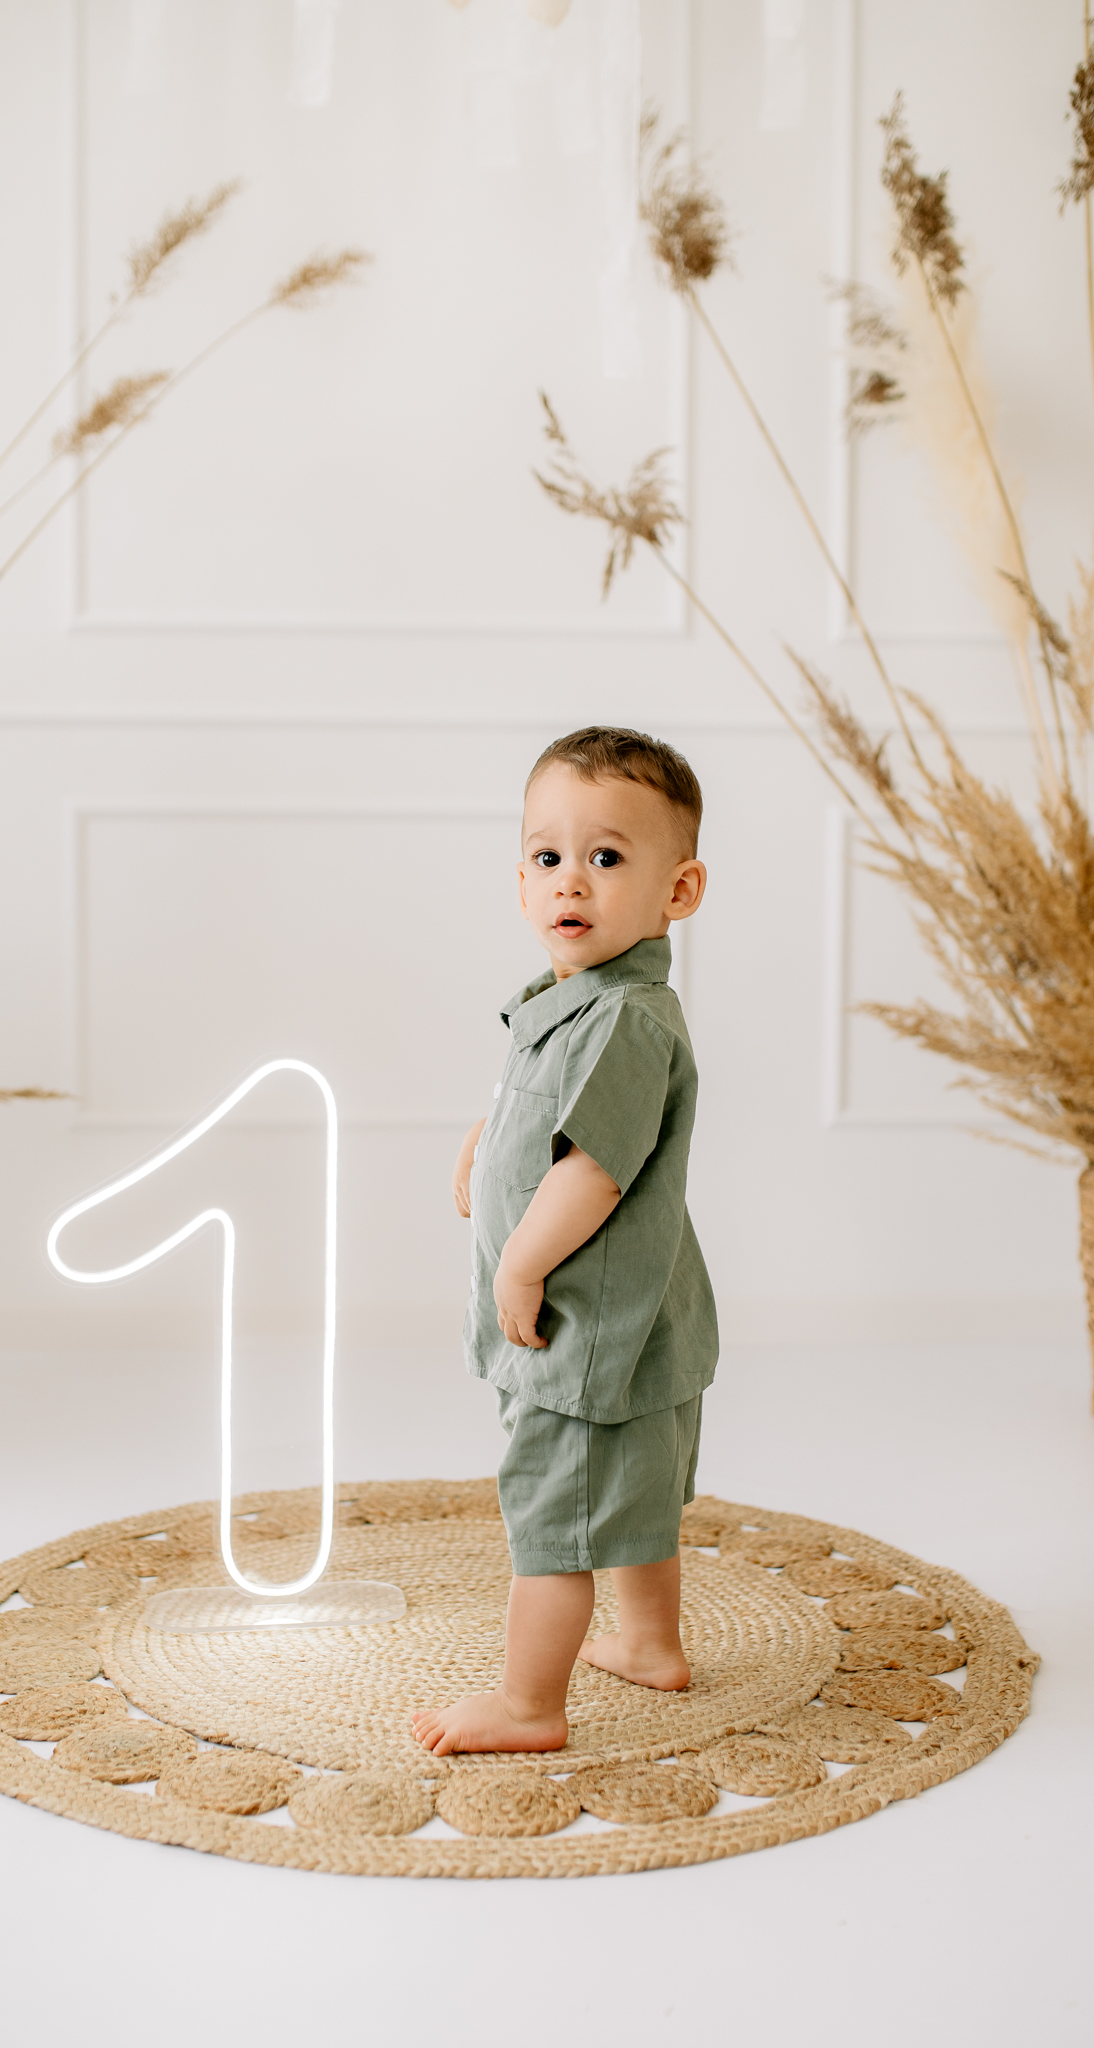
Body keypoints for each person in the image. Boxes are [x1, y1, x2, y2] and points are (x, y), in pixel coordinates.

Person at [412, 725, 718, 1757]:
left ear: (678, 890)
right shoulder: (569, 1004)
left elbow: (593, 1167)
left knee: (556, 1513)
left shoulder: (627, 1019)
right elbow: (541, 1106)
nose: (569, 879)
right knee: (627, 1492)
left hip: (583, 1329)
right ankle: (650, 1644)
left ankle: (528, 1704)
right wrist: (486, 1133)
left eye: (606, 856)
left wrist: (520, 1261)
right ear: (520, 880)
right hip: (631, 1326)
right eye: (547, 855)